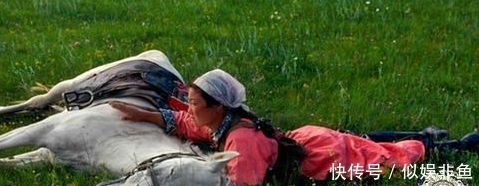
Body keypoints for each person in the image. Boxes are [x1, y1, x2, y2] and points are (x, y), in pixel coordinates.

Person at [110, 69, 479, 185]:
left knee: (389, 158)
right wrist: (146, 116)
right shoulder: (225, 122)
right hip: (305, 139)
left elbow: (244, 184)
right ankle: (430, 135)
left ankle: (456, 145)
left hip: (319, 159)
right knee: (366, 141)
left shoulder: (240, 139)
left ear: (218, 106)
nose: (189, 107)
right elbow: (191, 126)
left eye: (193, 101)